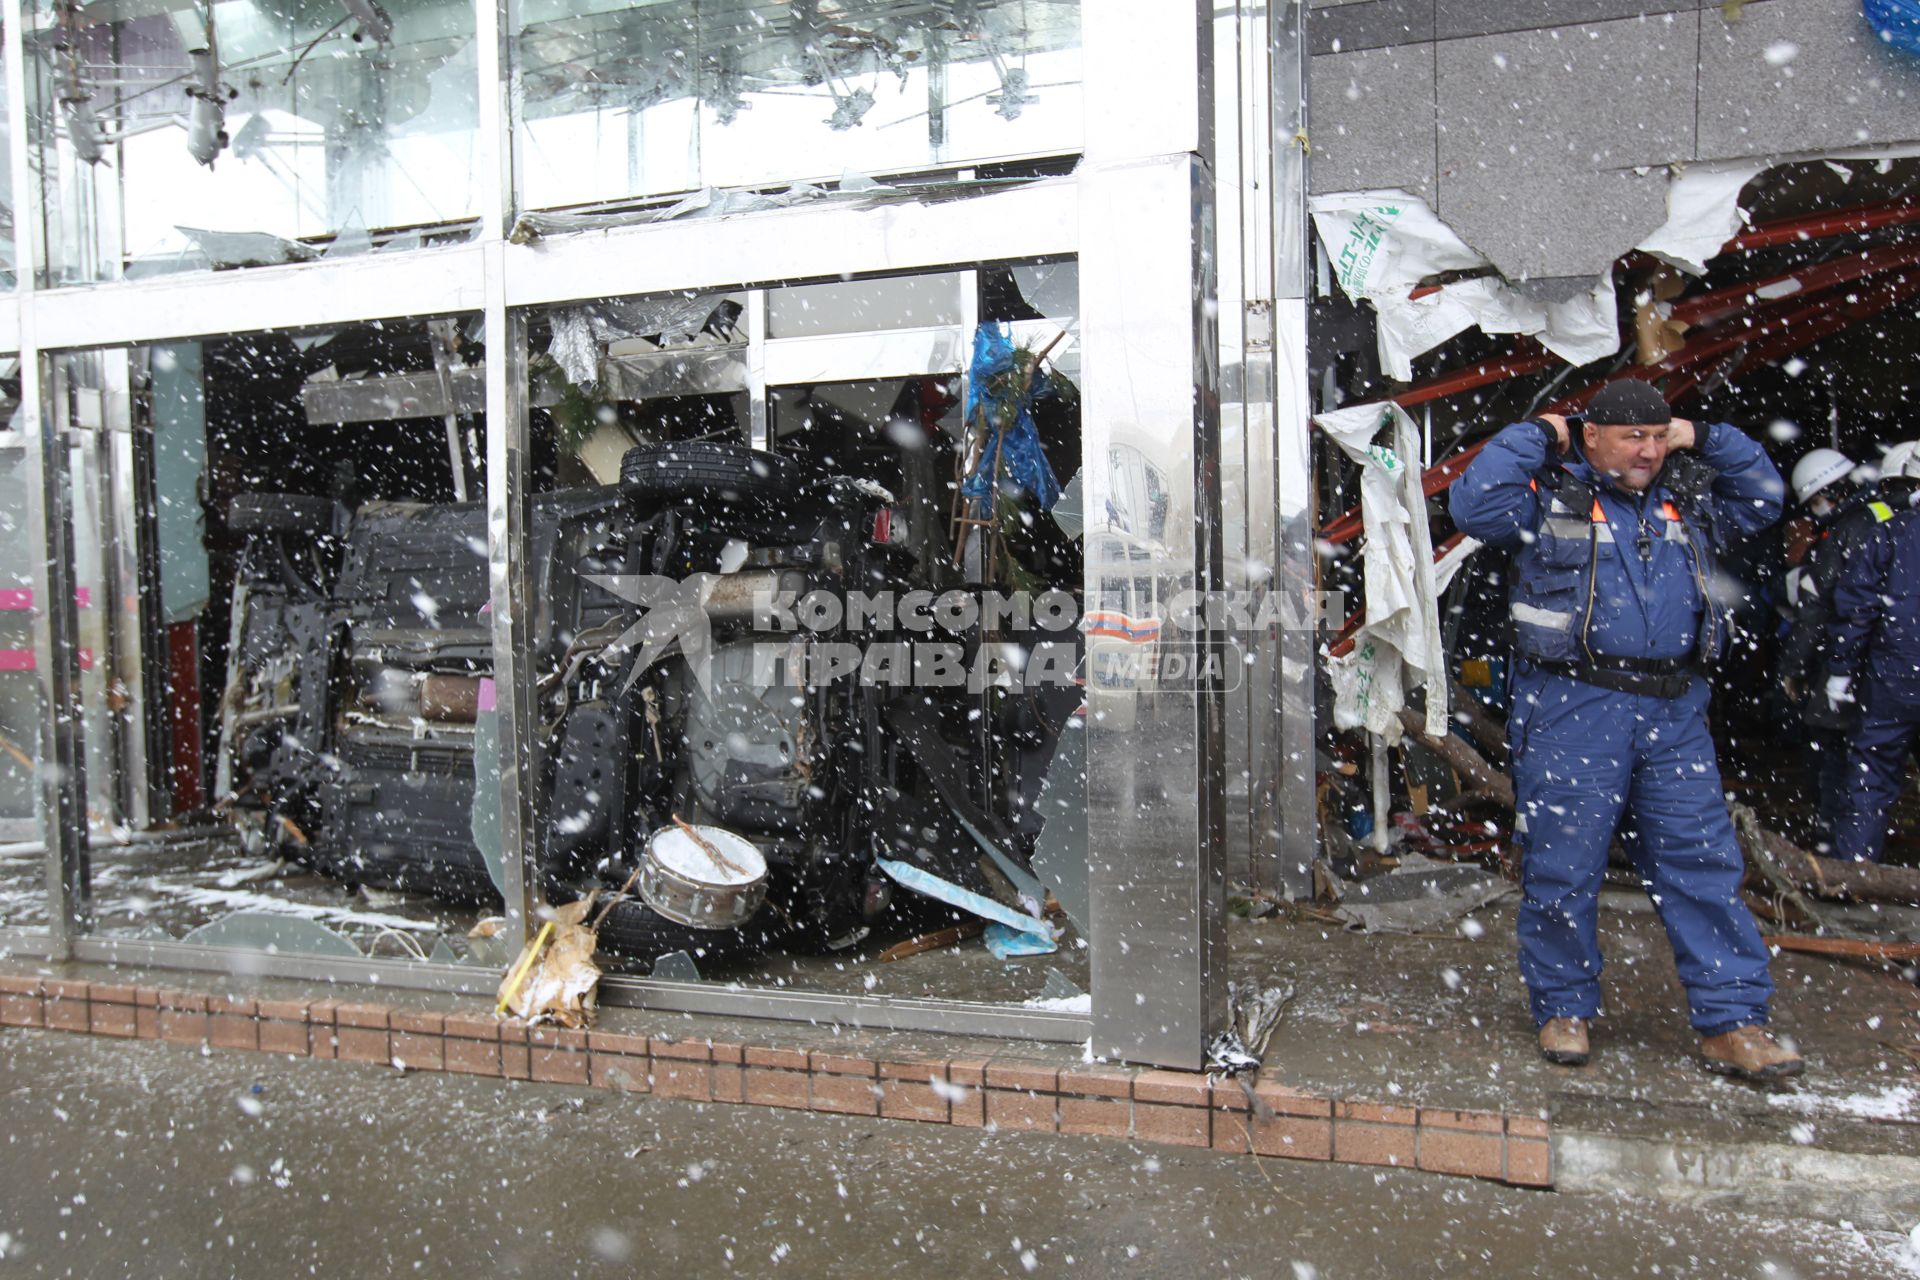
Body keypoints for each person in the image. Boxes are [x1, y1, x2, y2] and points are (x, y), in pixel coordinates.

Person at [1449, 379, 1803, 1082]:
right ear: (1591, 439)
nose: (1647, 450)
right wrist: (1542, 431)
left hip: (1674, 710)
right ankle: (1564, 1008)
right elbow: (1472, 501)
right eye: (1631, 437)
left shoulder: (1692, 500)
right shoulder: (1550, 498)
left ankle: (1733, 1022)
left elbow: (1765, 494)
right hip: (1573, 708)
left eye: (1656, 435)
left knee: (1702, 865)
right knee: (1563, 867)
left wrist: (1701, 436)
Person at [1778, 448, 1895, 853]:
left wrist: (1793, 667)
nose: (1815, 510)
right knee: (1877, 763)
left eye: (1814, 502)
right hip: (1892, 665)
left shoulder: (1844, 532)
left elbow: (1815, 609)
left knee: (1836, 764)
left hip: (1849, 667)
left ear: (1829, 492)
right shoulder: (1892, 517)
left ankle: (1838, 852)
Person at [1825, 501, 1920, 863]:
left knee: (1871, 776)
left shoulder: (1892, 532)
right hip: (1894, 671)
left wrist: (1841, 669)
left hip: (1893, 677)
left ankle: (1854, 873)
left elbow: (1856, 608)